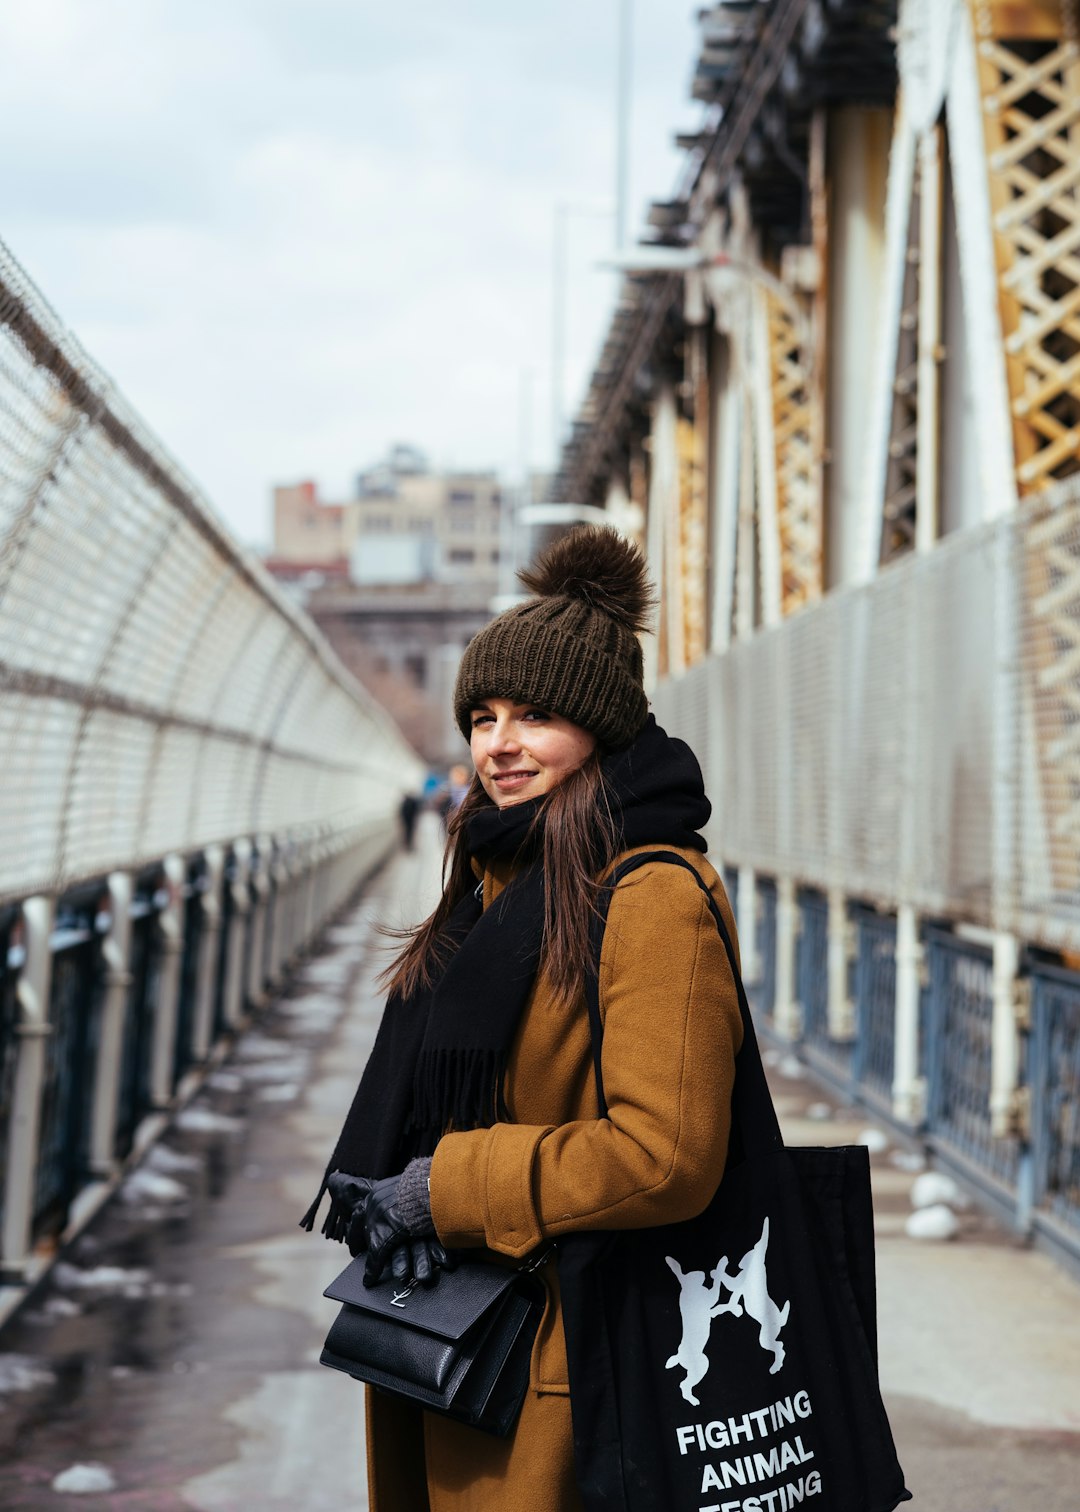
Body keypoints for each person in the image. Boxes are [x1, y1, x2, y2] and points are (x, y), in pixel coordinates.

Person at [302, 525, 743, 1512]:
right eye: (484, 714)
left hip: (570, 1372)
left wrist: (442, 1190)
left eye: (537, 714)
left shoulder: (651, 895)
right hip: (465, 1344)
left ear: (601, 728)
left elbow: (666, 1154)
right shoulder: (495, 878)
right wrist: (407, 1203)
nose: (499, 744)